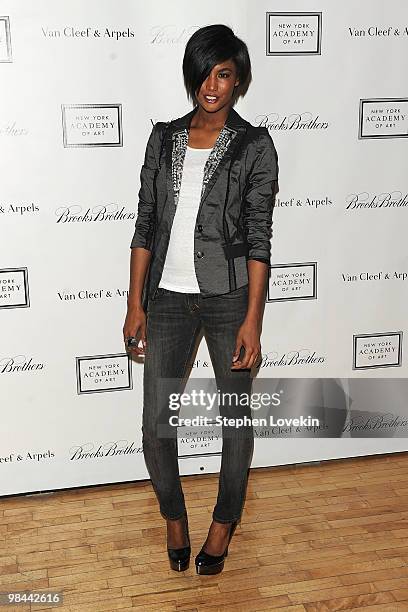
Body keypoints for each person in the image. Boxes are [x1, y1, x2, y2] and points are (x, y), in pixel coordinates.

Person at [123, 24, 279, 575]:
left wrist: (253, 320)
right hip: (164, 297)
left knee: (235, 422)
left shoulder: (255, 145)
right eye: (205, 72)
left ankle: (222, 523)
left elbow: (259, 236)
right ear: (192, 74)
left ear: (238, 82)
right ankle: (174, 516)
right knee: (154, 424)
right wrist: (134, 303)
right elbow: (145, 223)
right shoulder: (163, 137)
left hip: (229, 299)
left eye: (224, 74)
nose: (211, 85)